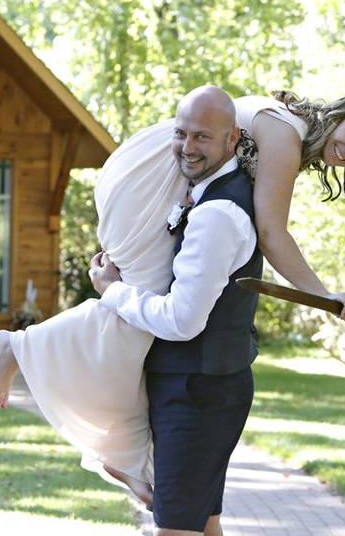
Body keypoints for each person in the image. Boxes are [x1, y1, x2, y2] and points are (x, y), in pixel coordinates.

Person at [0, 84, 345, 506]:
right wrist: (326, 295)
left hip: (156, 172)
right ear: (340, 112)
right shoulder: (285, 136)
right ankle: (26, 354)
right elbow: (272, 234)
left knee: (143, 319)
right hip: (156, 178)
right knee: (140, 313)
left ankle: (125, 455)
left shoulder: (292, 133)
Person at [89, 86, 259, 533]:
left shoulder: (218, 213)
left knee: (176, 528)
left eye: (202, 137)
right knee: (203, 524)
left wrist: (113, 292)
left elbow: (182, 322)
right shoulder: (208, 195)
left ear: (233, 139)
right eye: (181, 133)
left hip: (198, 393)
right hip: (206, 386)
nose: (188, 147)